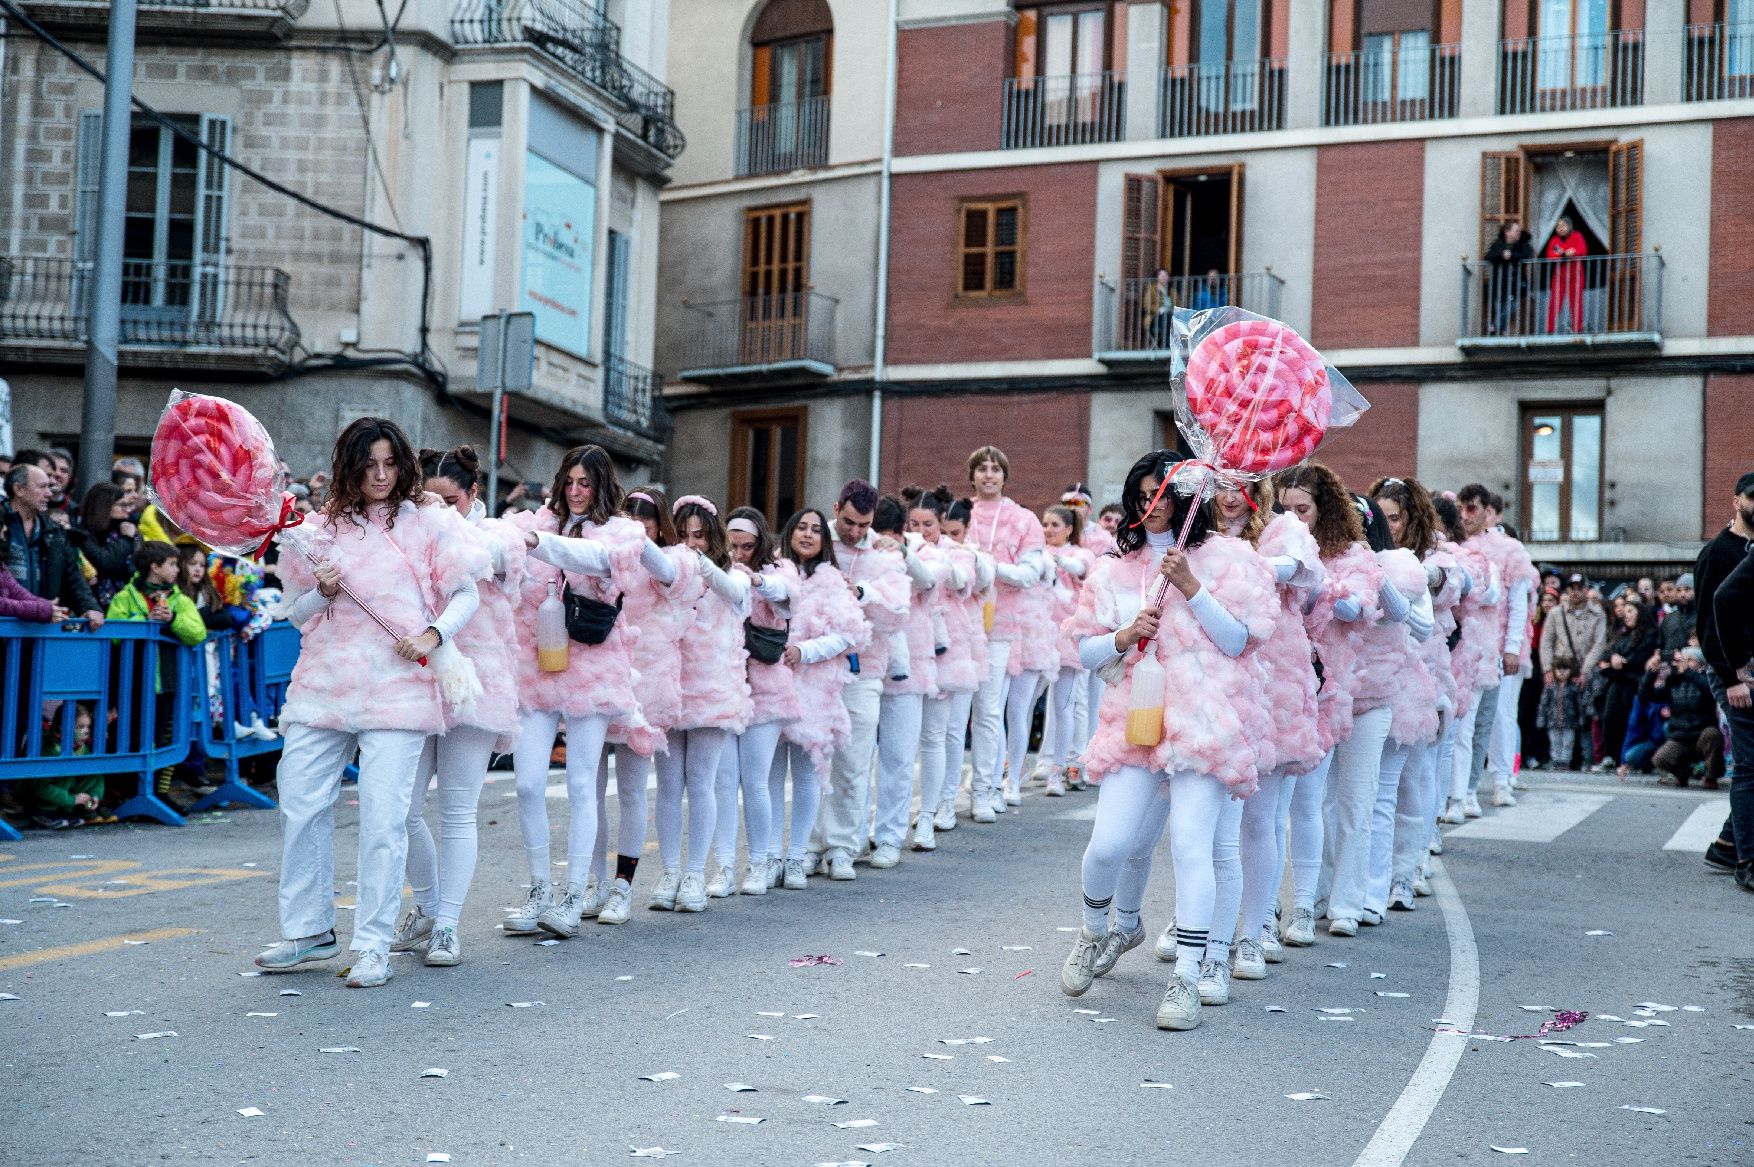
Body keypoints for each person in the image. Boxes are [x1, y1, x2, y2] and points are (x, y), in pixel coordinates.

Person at [254, 418, 486, 989]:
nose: (380, 476)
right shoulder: (317, 526)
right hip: (325, 682)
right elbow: (295, 612)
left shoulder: (429, 521)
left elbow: (466, 593)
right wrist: (320, 590)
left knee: (384, 817)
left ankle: (373, 943)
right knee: (301, 799)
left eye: (389, 464)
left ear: (402, 464)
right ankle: (308, 928)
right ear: (350, 467)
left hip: (399, 687)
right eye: (368, 465)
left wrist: (432, 636)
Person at [1058, 451, 1276, 1031]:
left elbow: (1241, 642)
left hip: (1203, 723)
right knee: (1109, 844)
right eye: (1142, 493)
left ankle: (1187, 972)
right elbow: (1083, 651)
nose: (1149, 505)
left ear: (1186, 502)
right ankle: (1096, 930)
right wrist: (1123, 635)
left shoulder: (1227, 560)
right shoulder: (1111, 571)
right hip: (1137, 718)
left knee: (1190, 844)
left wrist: (1193, 588)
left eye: (1163, 494)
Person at [503, 446, 663, 937]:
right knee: (529, 782)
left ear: (601, 487)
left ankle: (574, 896)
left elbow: (601, 559)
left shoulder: (619, 533)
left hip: (592, 670)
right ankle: (539, 892)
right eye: (569, 481)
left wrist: (538, 543)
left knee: (580, 785)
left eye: (585, 483)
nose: (575, 491)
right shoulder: (537, 520)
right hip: (539, 667)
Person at [392, 447, 525, 967]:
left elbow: (498, 561)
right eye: (433, 499)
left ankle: (447, 925)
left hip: (476, 683)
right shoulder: (414, 531)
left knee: (456, 810)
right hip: (421, 677)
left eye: (452, 499)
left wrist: (433, 520)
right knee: (401, 809)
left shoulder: (496, 536)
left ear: (473, 496)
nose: (442, 508)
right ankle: (426, 909)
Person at [1275, 465, 1380, 945]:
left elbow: (1359, 607)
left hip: (1349, 691)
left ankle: (1345, 902)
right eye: (1285, 508)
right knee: (1300, 801)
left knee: (1350, 801)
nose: (1294, 517)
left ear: (1325, 510)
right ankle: (1304, 898)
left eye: (1303, 509)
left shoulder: (1353, 555)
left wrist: (1314, 583)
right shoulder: (1277, 545)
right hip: (1296, 688)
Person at [587, 487, 689, 923]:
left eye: (645, 521)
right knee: (587, 791)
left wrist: (633, 538)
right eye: (629, 518)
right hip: (596, 679)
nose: (636, 526)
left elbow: (663, 569)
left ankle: (623, 887)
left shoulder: (670, 562)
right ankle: (591, 883)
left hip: (643, 689)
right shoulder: (603, 554)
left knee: (631, 790)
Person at [650, 495, 753, 912]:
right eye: (685, 535)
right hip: (671, 683)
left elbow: (732, 591)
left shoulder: (736, 575)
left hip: (712, 688)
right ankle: (670, 871)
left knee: (701, 779)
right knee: (670, 783)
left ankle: (696, 872)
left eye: (701, 535)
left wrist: (701, 564)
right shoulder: (668, 574)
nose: (693, 543)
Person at [807, 481, 908, 880]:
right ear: (836, 508)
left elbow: (898, 614)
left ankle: (843, 845)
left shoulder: (882, 553)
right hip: (815, 667)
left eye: (863, 525)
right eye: (847, 522)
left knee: (852, 760)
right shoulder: (814, 537)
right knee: (814, 759)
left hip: (864, 670)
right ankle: (808, 844)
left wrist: (862, 591)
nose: (854, 531)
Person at [766, 509, 870, 889]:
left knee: (808, 775)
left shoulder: (833, 581)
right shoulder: (774, 571)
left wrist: (804, 651)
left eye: (815, 530)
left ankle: (797, 857)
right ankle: (770, 856)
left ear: (824, 541)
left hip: (816, 687)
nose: (808, 535)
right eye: (802, 528)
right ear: (790, 532)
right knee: (771, 776)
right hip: (772, 682)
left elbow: (848, 635)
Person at [710, 506, 797, 896]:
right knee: (724, 782)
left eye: (748, 546)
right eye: (734, 546)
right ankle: (725, 866)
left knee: (756, 780)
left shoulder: (777, 571)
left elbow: (787, 597)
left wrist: (756, 579)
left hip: (767, 688)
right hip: (726, 684)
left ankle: (760, 862)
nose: (740, 553)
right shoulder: (716, 570)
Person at [963, 447, 1047, 820]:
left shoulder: (1024, 518)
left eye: (996, 469)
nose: (988, 475)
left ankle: (988, 788)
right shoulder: (960, 513)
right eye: (981, 469)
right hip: (959, 624)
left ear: (1005, 476)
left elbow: (1030, 574)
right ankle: (957, 793)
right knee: (957, 716)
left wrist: (988, 565)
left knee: (989, 708)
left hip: (1001, 626)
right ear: (972, 476)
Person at [903, 486, 987, 847]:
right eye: (914, 523)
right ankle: (901, 812)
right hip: (910, 648)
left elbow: (964, 581)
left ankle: (935, 811)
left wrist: (946, 563)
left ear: (941, 522)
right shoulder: (901, 547)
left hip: (947, 651)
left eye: (928, 524)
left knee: (942, 735)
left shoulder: (958, 552)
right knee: (906, 741)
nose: (921, 530)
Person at [867, 494, 942, 869]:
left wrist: (901, 551)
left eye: (886, 532)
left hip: (908, 668)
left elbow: (930, 582)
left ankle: (890, 836)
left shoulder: (920, 551)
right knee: (858, 758)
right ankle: (854, 832)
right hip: (864, 662)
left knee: (897, 757)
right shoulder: (860, 549)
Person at [1695, 471, 1754, 888]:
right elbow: (1708, 622)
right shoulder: (1718, 553)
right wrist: (1731, 676)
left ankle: (1729, 843)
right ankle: (1746, 858)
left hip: (1747, 667)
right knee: (1750, 764)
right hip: (1729, 670)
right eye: (1753, 497)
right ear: (1737, 501)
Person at [2, 463, 103, 626]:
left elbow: (73, 574)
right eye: (42, 487)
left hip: (42, 627)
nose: (49, 494)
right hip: (6, 627)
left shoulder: (55, 531)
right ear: (19, 489)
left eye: (49, 487)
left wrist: (90, 606)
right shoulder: (2, 524)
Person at [1039, 505, 1094, 797]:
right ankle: (1010, 771)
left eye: (1055, 524)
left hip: (1066, 637)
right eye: (1045, 524)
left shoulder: (1080, 553)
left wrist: (1054, 559)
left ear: (1069, 528)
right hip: (1037, 636)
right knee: (1022, 706)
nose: (1048, 529)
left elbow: (1080, 569)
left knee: (1064, 706)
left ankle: (1058, 770)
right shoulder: (1037, 551)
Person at [1641, 648, 1722, 789]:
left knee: (1712, 734)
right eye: (1682, 659)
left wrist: (1689, 672)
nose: (1684, 662)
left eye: (1690, 659)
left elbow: (1711, 692)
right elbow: (1647, 696)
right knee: (1660, 759)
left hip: (1702, 734)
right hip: (1680, 735)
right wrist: (1651, 673)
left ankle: (1711, 776)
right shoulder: (1674, 681)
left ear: (1701, 664)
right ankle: (1682, 774)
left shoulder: (1708, 678)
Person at [1595, 595, 1658, 768]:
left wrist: (1614, 664)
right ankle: (1612, 755)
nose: (1626, 615)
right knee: (1610, 717)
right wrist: (1612, 660)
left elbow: (1635, 661)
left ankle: (1628, 758)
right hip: (1617, 682)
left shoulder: (1649, 635)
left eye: (1631, 611)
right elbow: (1607, 654)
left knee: (1630, 720)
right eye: (1625, 612)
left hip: (1635, 684)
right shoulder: (1622, 634)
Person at [70, 483, 140, 609]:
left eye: (128, 505)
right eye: (123, 505)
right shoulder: (81, 534)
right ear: (104, 506)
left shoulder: (126, 528)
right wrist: (125, 539)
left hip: (127, 604)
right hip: (93, 604)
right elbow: (105, 562)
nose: (128, 510)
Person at [1484, 221, 1534, 335]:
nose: (1518, 234)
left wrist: (1512, 256)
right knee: (1500, 308)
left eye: (1519, 231)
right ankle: (1501, 331)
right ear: (1507, 232)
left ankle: (1494, 326)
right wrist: (1501, 255)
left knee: (1511, 306)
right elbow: (1488, 257)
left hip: (1516, 283)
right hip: (1499, 283)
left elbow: (1527, 255)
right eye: (1516, 231)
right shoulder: (1498, 243)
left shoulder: (1522, 244)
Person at [1538, 660, 1588, 772]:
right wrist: (1541, 719)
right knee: (1554, 742)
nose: (1562, 672)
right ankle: (1556, 760)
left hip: (1570, 721)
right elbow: (1543, 704)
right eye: (1558, 669)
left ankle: (1565, 761)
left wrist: (1581, 719)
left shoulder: (1574, 688)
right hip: (1553, 721)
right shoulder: (1550, 687)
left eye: (1565, 669)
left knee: (1568, 742)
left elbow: (1579, 705)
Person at [1544, 216, 1588, 334]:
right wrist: (1563, 255)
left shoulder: (1577, 236)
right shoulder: (1554, 240)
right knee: (1555, 302)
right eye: (1558, 226)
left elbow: (1583, 250)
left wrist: (1573, 252)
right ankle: (1550, 329)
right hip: (1560, 277)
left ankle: (1578, 329)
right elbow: (1550, 255)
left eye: (1563, 225)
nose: (1561, 228)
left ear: (1569, 226)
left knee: (1576, 302)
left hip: (1576, 275)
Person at [1141, 268, 1175, 348]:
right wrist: (1158, 309)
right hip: (1154, 318)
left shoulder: (1172, 292)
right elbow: (1146, 305)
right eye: (1161, 275)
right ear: (1157, 277)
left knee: (1171, 318)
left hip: (1170, 316)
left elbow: (1179, 305)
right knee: (1165, 317)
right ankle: (1166, 345)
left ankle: (1172, 344)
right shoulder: (1151, 289)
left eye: (1166, 275)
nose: (1164, 277)